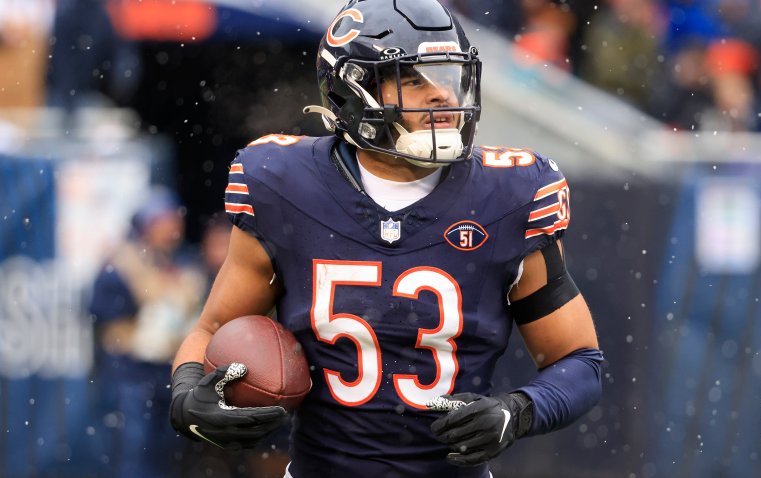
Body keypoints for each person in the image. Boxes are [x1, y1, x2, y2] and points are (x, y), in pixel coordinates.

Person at [169, 1, 603, 477]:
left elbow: (579, 360)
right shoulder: (283, 184)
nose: (441, 95)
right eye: (414, 78)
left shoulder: (510, 194)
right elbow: (210, 330)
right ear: (353, 90)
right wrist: (189, 394)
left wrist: (518, 411)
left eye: (447, 75)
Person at [89, 186, 206, 477]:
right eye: (164, 221)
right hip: (131, 372)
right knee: (134, 449)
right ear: (148, 224)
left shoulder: (182, 262)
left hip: (165, 371)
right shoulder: (121, 264)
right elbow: (104, 317)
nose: (172, 228)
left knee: (165, 451)